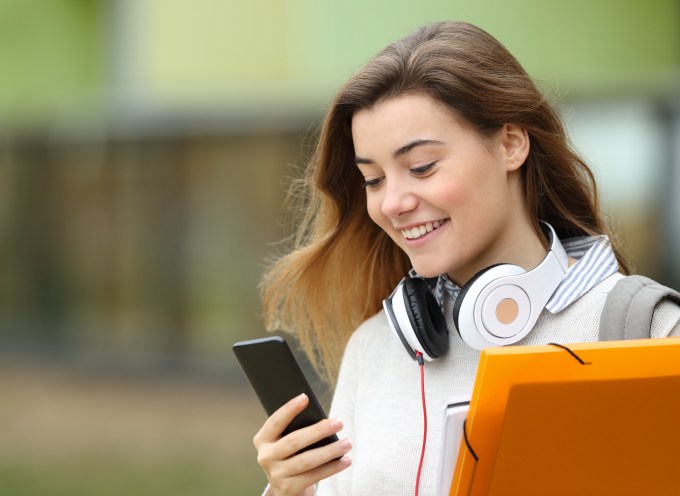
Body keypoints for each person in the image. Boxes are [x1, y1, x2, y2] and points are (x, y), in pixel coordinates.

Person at [252, 21, 680, 496]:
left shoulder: (646, 330)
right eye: (373, 180)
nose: (392, 202)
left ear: (511, 144)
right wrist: (293, 490)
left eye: (421, 167)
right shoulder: (372, 350)